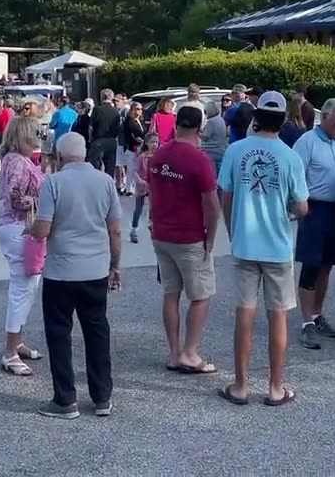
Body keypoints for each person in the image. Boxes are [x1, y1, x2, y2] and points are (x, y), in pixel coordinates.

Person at [217, 91, 309, 407]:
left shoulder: (236, 150)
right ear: (283, 120)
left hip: (245, 242)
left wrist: (232, 230)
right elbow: (302, 205)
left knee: (244, 313)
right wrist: (289, 211)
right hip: (278, 245)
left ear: (256, 116)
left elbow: (225, 198)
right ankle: (275, 386)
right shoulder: (291, 156)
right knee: (278, 315)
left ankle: (240, 385)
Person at [31, 133, 123, 419]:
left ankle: (65, 399)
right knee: (97, 333)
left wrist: (31, 229)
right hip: (95, 269)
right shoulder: (106, 181)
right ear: (85, 154)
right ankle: (102, 397)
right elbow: (115, 230)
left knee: (59, 334)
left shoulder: (53, 183)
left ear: (59, 157)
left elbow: (43, 229)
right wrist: (115, 265)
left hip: (61, 271)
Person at [148, 106, 221, 373]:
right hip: (189, 236)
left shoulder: (159, 154)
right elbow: (212, 204)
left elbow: (151, 192)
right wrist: (210, 237)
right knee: (201, 295)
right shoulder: (199, 159)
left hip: (162, 233)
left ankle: (174, 352)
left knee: (171, 293)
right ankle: (190, 352)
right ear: (200, 128)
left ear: (177, 123)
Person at [291, 98, 335, 350]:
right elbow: (294, 176)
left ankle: (317, 314)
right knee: (311, 264)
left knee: (327, 264)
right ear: (324, 116)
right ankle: (306, 323)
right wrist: (298, 207)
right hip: (314, 209)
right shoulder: (306, 142)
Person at [0, 117, 46, 376]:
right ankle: (10, 351)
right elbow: (16, 199)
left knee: (28, 286)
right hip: (18, 226)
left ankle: (17, 342)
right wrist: (42, 198)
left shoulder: (14, 159)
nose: (38, 139)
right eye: (34, 134)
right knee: (22, 288)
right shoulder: (17, 161)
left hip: (16, 226)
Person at [129, 134, 159, 243]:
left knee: (154, 208)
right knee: (138, 209)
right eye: (152, 142)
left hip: (153, 186)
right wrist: (140, 181)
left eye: (156, 142)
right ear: (146, 143)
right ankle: (134, 230)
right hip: (142, 186)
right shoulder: (142, 157)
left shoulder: (158, 156)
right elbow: (135, 171)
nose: (155, 144)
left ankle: (153, 227)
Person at [88, 89, 122, 178]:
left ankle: (96, 187)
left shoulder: (97, 110)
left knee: (96, 167)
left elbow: (91, 127)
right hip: (111, 141)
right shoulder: (116, 111)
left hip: (98, 141)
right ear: (111, 98)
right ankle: (109, 187)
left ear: (101, 97)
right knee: (110, 168)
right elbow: (118, 127)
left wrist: (90, 138)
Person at [120, 102, 147, 196]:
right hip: (132, 147)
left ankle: (136, 187)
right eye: (137, 109)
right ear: (132, 109)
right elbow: (131, 135)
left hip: (140, 147)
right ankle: (129, 189)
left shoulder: (139, 121)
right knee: (131, 168)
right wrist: (138, 140)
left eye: (140, 109)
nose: (139, 111)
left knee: (138, 168)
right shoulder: (129, 121)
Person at [200, 100, 228, 180]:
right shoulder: (220, 119)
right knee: (220, 175)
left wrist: (197, 133)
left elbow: (206, 137)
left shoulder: (211, 122)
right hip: (221, 149)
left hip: (211, 151)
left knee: (212, 175)